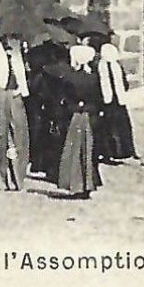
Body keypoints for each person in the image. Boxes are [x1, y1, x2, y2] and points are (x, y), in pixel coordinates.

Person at [57, 45, 102, 200]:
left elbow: (64, 99)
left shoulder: (70, 77)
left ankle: (75, 184)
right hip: (90, 116)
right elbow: (98, 99)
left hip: (75, 116)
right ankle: (89, 184)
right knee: (88, 151)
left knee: (74, 150)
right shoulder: (93, 77)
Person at [0, 40, 31, 191]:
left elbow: (22, 83)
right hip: (1, 97)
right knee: (2, 137)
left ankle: (15, 176)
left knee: (15, 139)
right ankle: (3, 176)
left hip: (13, 97)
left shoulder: (18, 60)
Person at [93, 43, 138, 163]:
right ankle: (121, 151)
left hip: (110, 101)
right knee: (116, 127)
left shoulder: (100, 66)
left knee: (111, 128)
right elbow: (125, 84)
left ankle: (115, 151)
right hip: (116, 102)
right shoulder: (116, 67)